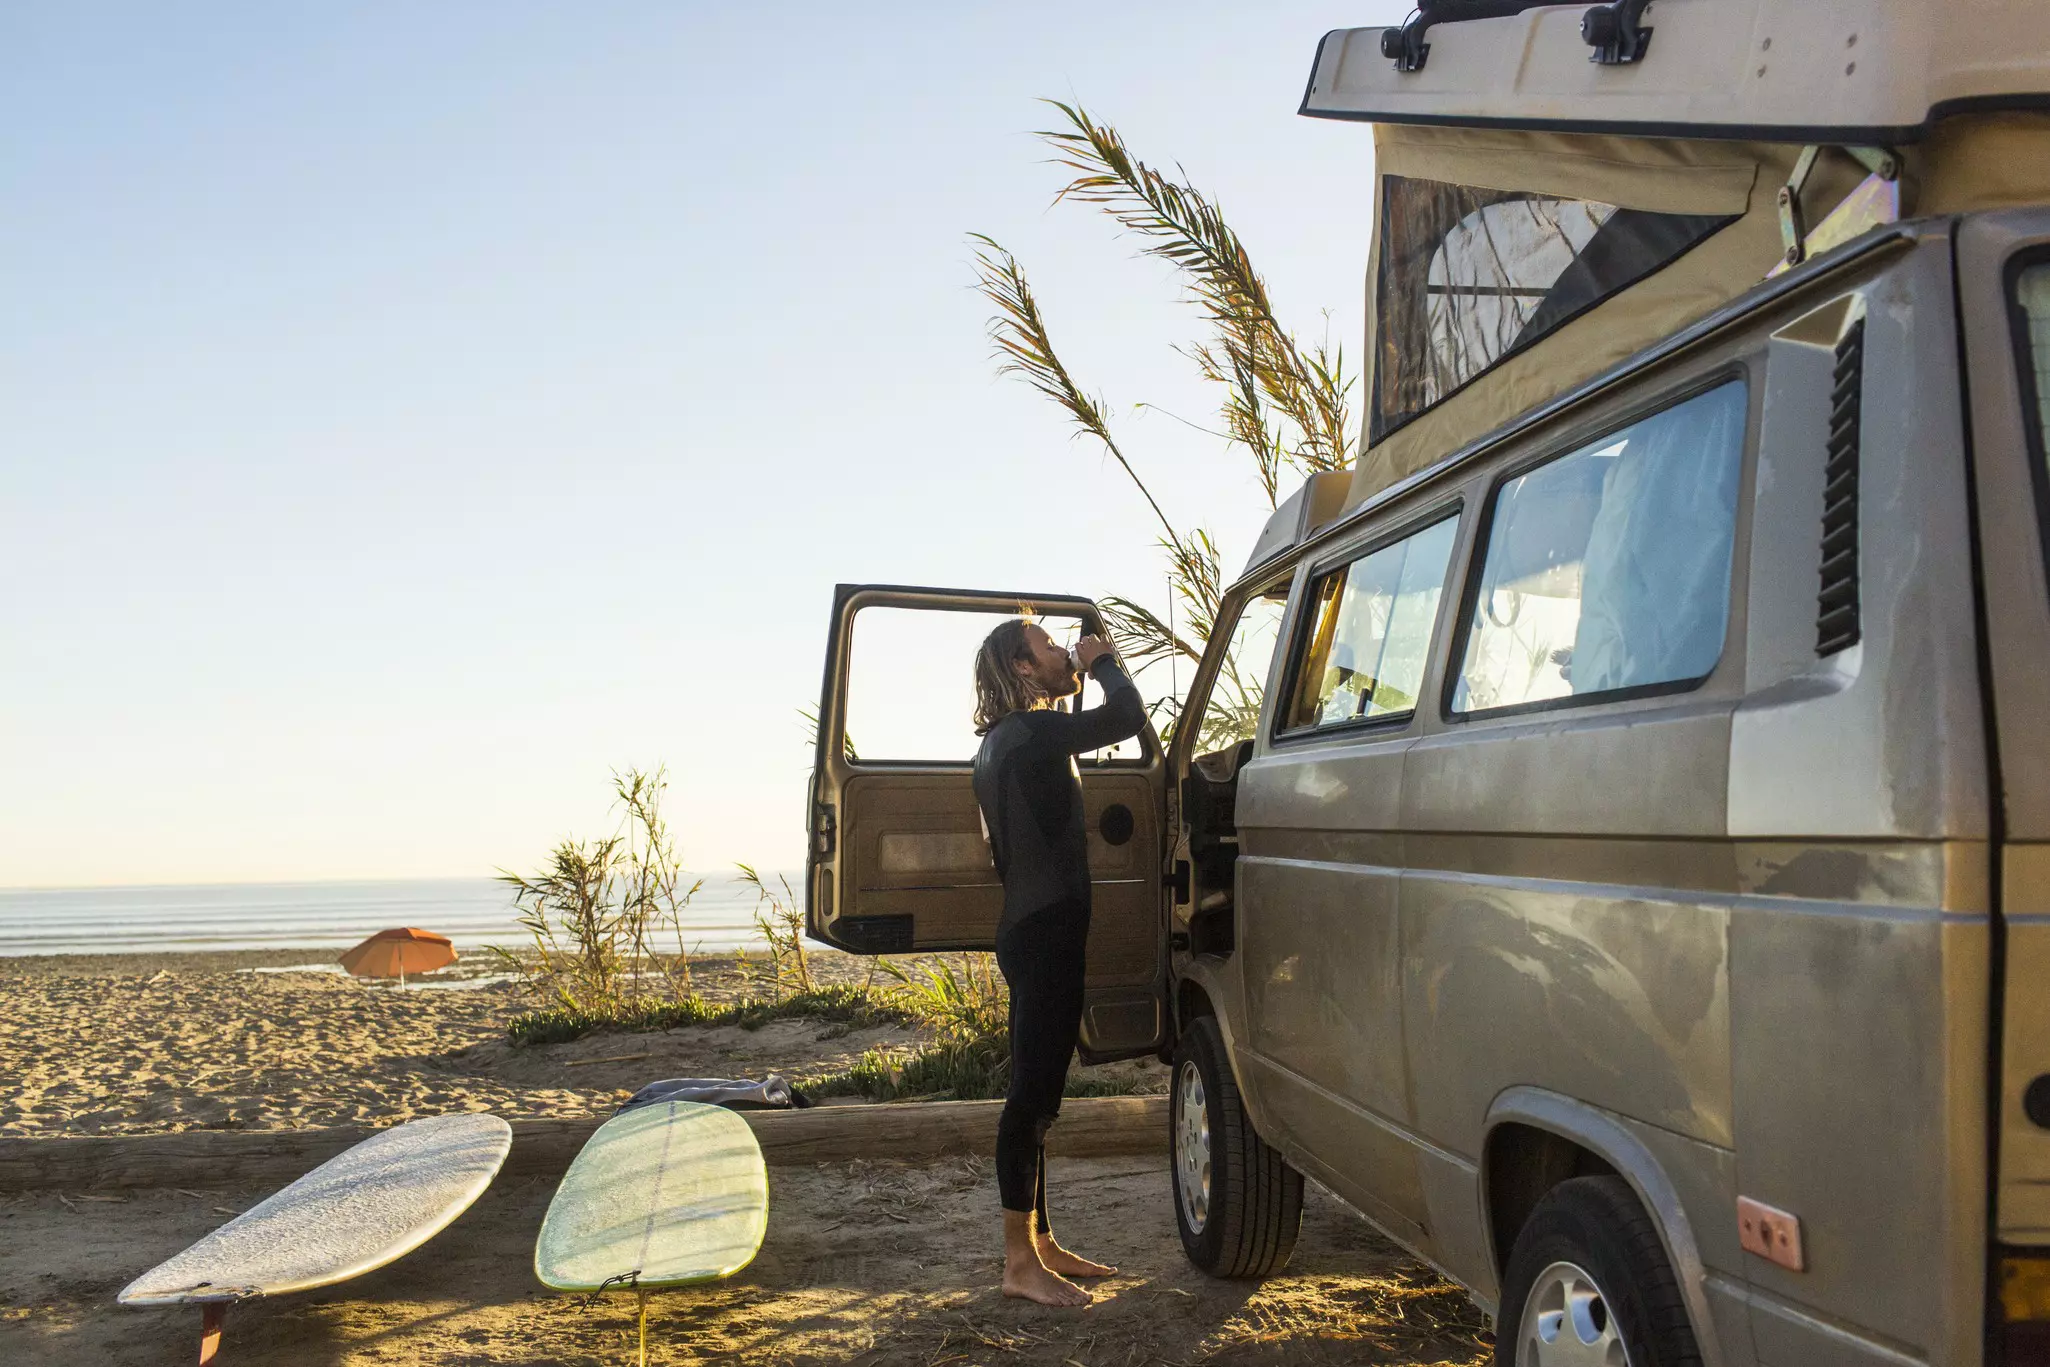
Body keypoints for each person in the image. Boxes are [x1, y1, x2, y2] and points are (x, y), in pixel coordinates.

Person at [970, 618, 1146, 1307]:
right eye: (1047, 645)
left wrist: (1072, 670)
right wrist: (1101, 662)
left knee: (1041, 1098)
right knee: (1028, 1100)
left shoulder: (1006, 742)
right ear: (1020, 667)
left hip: (1038, 929)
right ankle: (1018, 1262)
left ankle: (1039, 1243)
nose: (1059, 652)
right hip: (1043, 935)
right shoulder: (1031, 735)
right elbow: (1127, 716)